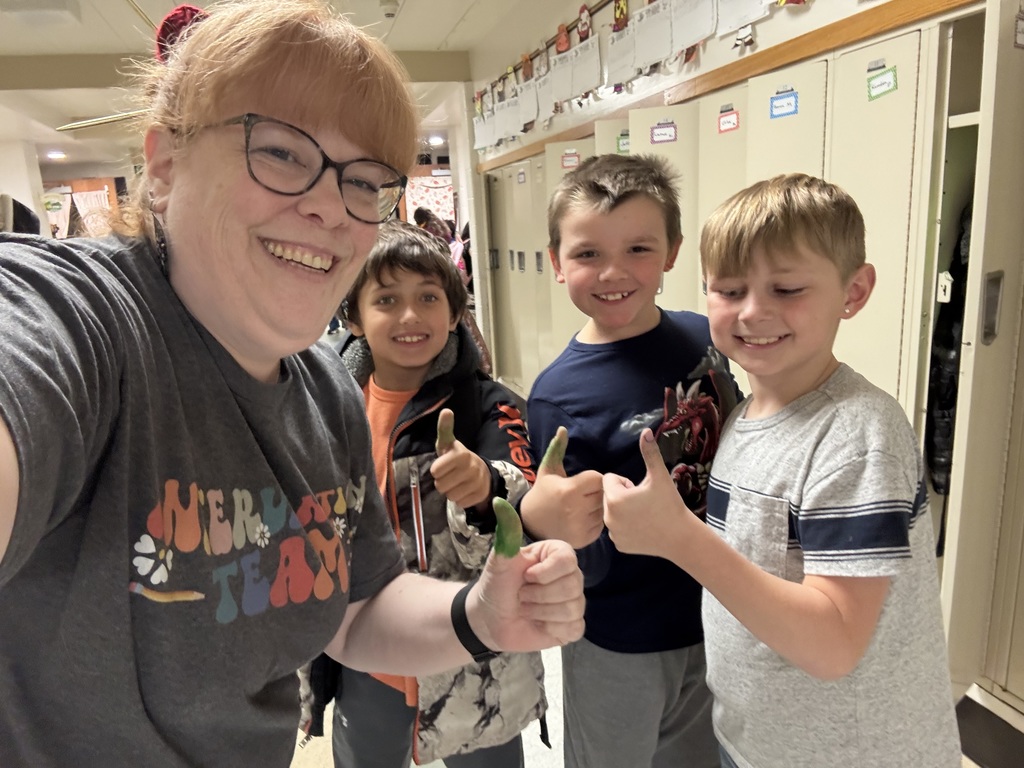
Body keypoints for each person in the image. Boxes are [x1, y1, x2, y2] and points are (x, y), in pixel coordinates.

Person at [0, 2, 584, 766]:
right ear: (166, 166)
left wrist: (480, 615)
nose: (329, 208)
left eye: (365, 180)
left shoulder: (325, 391)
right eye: (278, 151)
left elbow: (357, 604)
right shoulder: (79, 319)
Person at [602, 174, 962, 767]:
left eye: (787, 288)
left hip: (854, 754)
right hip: (756, 740)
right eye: (730, 289)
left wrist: (678, 539)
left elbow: (833, 645)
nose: (754, 312)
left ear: (854, 291)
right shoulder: (744, 413)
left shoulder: (857, 435)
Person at [520, 153, 737, 768]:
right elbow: (571, 549)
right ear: (557, 263)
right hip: (620, 638)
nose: (613, 272)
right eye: (588, 253)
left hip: (720, 614)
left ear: (672, 252)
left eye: (639, 249)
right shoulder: (557, 395)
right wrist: (550, 524)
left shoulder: (707, 337)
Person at [307, 221, 545, 767]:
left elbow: (527, 503)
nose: (410, 316)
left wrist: (486, 486)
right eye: (386, 299)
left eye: (429, 298)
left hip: (471, 657)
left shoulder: (488, 404)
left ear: (456, 312)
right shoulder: (327, 406)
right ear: (353, 317)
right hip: (367, 653)